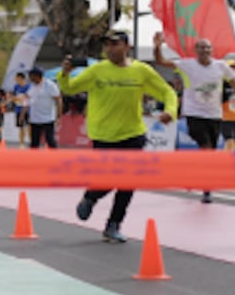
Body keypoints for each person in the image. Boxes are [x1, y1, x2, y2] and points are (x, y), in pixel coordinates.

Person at [60, 31, 177, 244]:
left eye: (115, 44)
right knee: (109, 180)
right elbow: (68, 88)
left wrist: (170, 111)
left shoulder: (141, 71)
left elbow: (167, 92)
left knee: (128, 182)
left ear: (127, 46)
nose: (110, 49)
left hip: (133, 134)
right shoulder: (97, 70)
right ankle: (91, 196)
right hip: (103, 136)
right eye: (107, 45)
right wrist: (65, 73)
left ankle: (113, 225)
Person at [153, 33, 235, 203]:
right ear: (195, 51)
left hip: (214, 115)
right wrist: (157, 47)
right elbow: (161, 61)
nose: (204, 50)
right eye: (201, 47)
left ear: (212, 50)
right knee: (206, 148)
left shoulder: (221, 67)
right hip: (194, 114)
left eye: (207, 47)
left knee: (209, 152)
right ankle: (206, 186)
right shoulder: (187, 65)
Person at [24, 67, 61, 149]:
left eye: (30, 75)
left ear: (36, 76)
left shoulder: (50, 85)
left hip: (47, 118)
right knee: (34, 142)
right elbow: (27, 100)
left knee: (50, 140)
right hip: (35, 118)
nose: (29, 77)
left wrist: (59, 115)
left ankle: (56, 158)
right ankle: (34, 160)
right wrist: (22, 114)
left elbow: (58, 100)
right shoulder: (31, 86)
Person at [11, 71, 30, 147]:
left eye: (16, 78)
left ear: (21, 78)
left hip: (28, 110)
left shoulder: (29, 86)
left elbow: (29, 97)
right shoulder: (16, 87)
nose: (15, 80)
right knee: (21, 127)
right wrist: (17, 98)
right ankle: (21, 144)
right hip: (18, 109)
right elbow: (13, 97)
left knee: (29, 127)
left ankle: (32, 143)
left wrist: (21, 98)